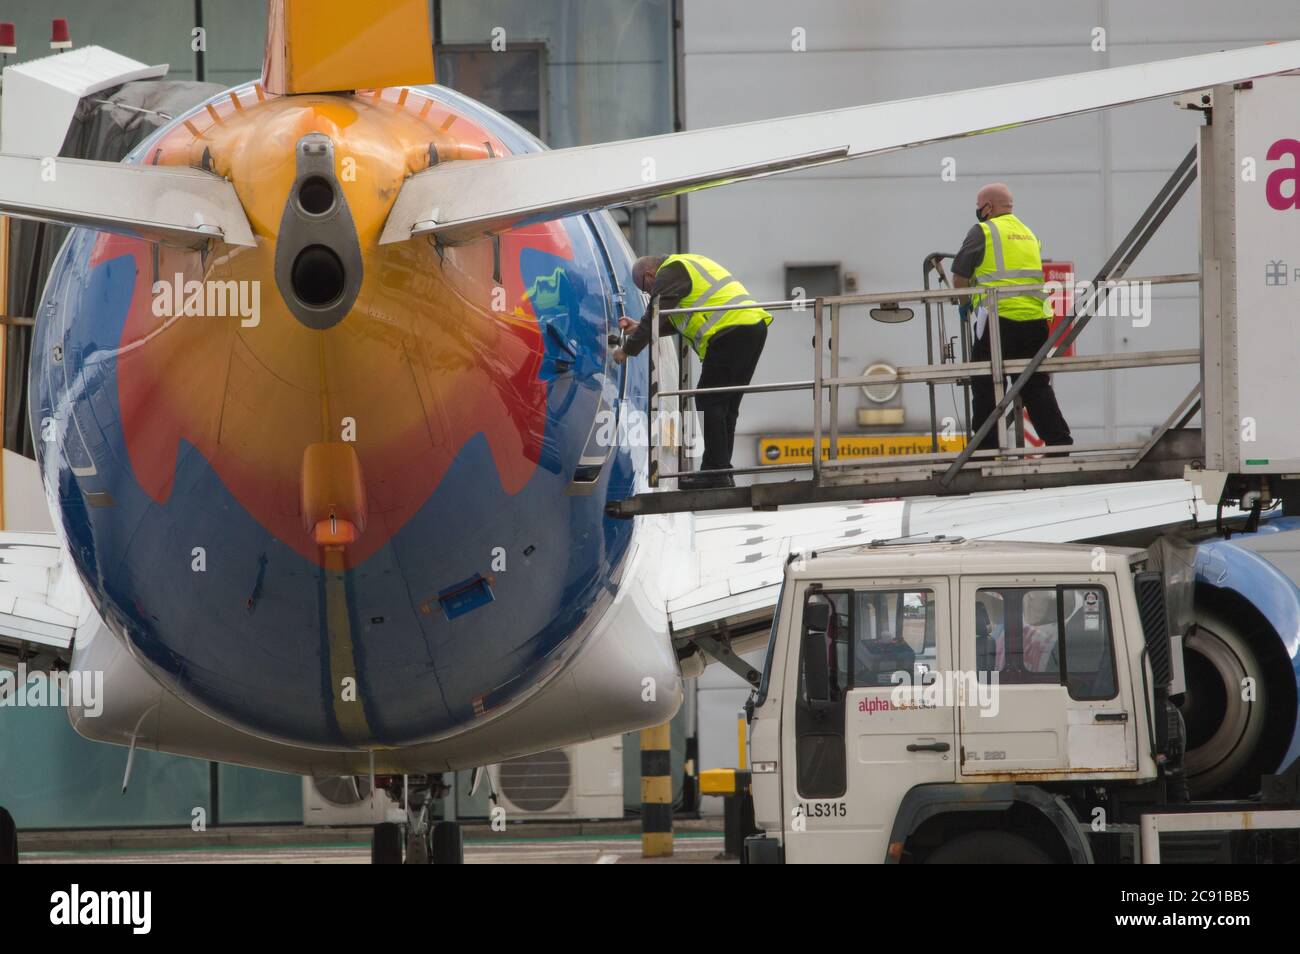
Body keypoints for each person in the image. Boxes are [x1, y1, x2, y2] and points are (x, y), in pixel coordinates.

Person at [613, 254, 771, 488]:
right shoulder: (686, 267)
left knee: (709, 400)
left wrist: (626, 350)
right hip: (750, 327)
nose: (650, 293)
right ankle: (722, 471)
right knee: (726, 406)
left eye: (647, 289)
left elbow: (653, 315)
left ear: (650, 275)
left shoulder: (670, 271)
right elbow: (666, 321)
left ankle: (714, 472)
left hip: (730, 331)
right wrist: (639, 328)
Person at [952, 183, 1072, 453]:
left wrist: (964, 304)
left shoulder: (983, 230)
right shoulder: (1029, 233)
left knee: (985, 379)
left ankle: (986, 447)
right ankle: (1059, 443)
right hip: (1035, 321)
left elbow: (960, 275)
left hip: (998, 320)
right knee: (1035, 384)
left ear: (988, 207)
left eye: (978, 206)